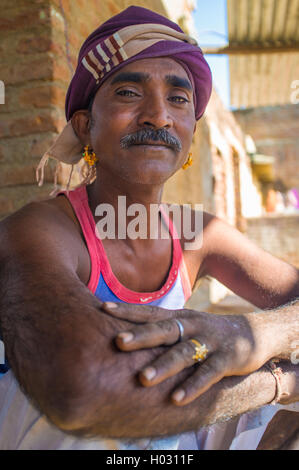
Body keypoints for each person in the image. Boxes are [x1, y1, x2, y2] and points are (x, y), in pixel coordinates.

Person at [0, 6, 298, 450]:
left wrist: (250, 337)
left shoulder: (198, 234)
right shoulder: (39, 231)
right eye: (127, 92)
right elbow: (84, 390)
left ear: (191, 133)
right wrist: (278, 382)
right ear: (85, 126)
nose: (158, 116)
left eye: (178, 99)